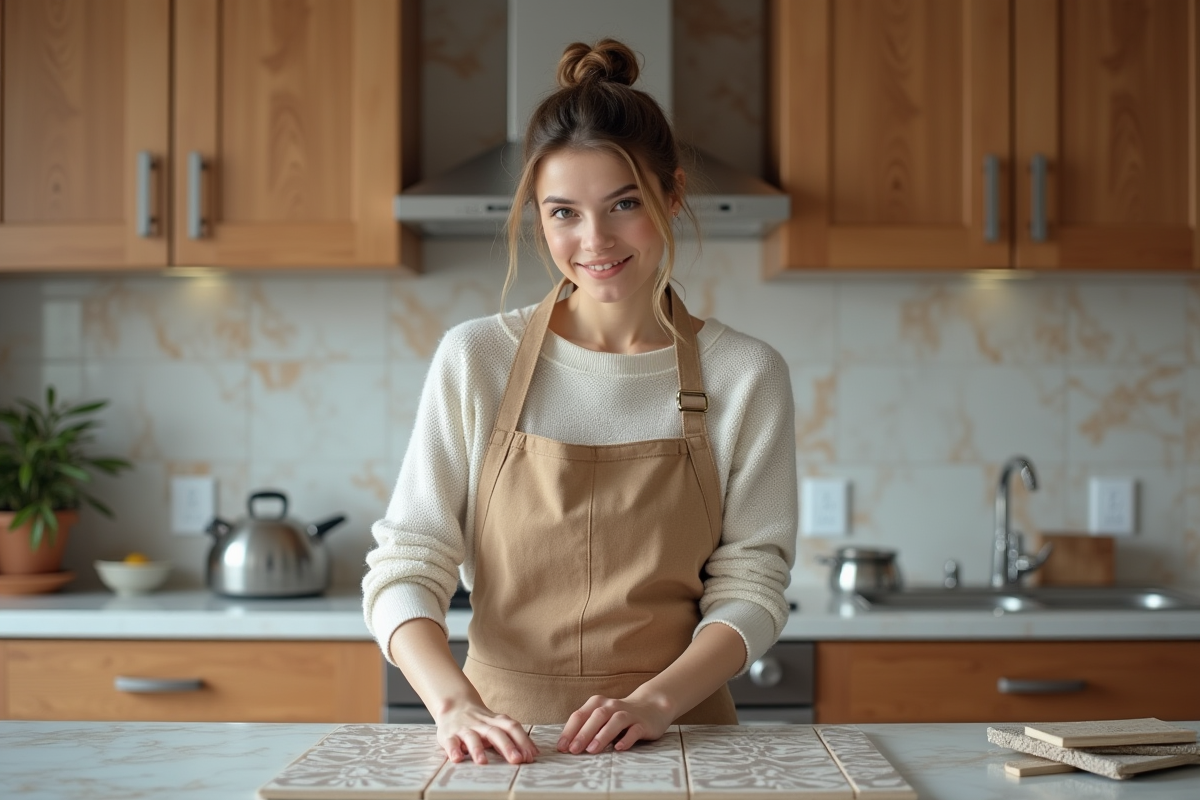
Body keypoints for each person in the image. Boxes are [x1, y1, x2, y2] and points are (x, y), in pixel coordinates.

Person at [363, 38, 797, 767]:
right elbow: (408, 562)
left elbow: (753, 582)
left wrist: (655, 701)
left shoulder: (746, 374)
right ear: (536, 215)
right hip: (501, 745)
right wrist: (452, 703)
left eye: (623, 204)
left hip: (683, 738)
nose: (593, 240)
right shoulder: (477, 359)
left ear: (672, 195)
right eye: (563, 212)